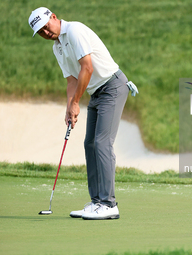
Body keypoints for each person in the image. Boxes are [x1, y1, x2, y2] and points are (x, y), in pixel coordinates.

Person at [28, 7, 138, 220]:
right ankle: (97, 201)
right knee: (90, 144)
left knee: (102, 142)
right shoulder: (57, 48)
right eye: (40, 32)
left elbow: (86, 68)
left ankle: (109, 204)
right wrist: (70, 107)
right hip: (97, 93)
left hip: (112, 86)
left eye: (46, 26)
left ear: (54, 17)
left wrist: (77, 102)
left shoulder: (75, 31)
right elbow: (72, 80)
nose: (46, 33)